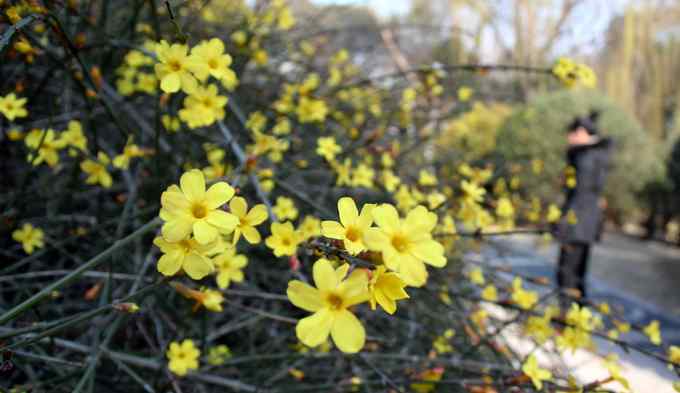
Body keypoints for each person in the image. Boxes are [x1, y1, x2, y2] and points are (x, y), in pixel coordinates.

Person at [555, 111, 612, 307]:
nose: (568, 138)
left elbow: (579, 192)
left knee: (567, 272)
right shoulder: (598, 154)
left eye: (571, 133)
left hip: (577, 221)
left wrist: (563, 220)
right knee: (578, 271)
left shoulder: (584, 157)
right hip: (587, 222)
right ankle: (578, 317)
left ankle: (566, 319)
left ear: (581, 132)